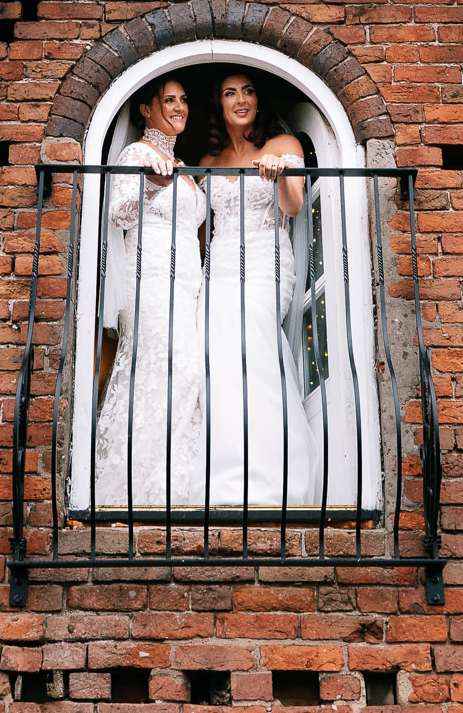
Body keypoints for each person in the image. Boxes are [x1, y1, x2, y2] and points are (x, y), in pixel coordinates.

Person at [197, 72, 320, 509]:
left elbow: (293, 206)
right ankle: (221, 479)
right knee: (216, 361)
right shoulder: (208, 159)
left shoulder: (283, 146)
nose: (240, 99)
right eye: (229, 92)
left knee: (256, 354)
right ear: (219, 103)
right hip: (219, 267)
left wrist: (280, 176)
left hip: (265, 262)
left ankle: (272, 481)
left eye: (247, 90)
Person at [92, 77, 209, 510]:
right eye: (169, 100)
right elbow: (119, 213)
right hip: (152, 278)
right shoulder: (137, 154)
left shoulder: (186, 166)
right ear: (146, 108)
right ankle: (135, 490)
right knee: (164, 370)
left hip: (188, 283)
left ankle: (175, 481)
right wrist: (153, 185)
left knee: (188, 375)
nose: (178, 107)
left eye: (183, 100)